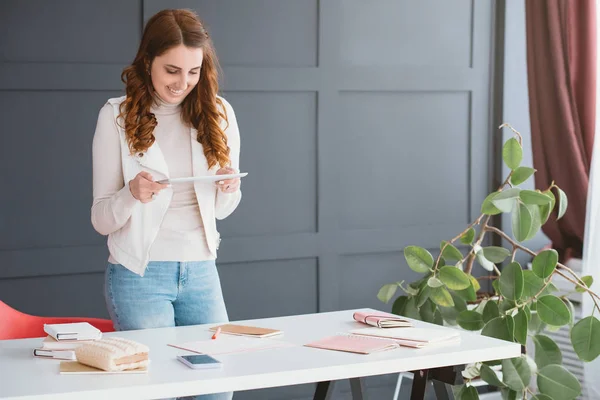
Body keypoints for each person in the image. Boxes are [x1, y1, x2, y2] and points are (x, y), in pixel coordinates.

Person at [91, 8, 240, 400]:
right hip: (140, 276)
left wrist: (227, 187)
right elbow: (101, 218)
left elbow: (222, 210)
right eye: (172, 70)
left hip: (202, 272)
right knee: (157, 391)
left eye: (193, 72)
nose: (183, 83)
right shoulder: (116, 118)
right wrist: (130, 195)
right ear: (148, 61)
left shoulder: (219, 114)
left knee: (216, 391)